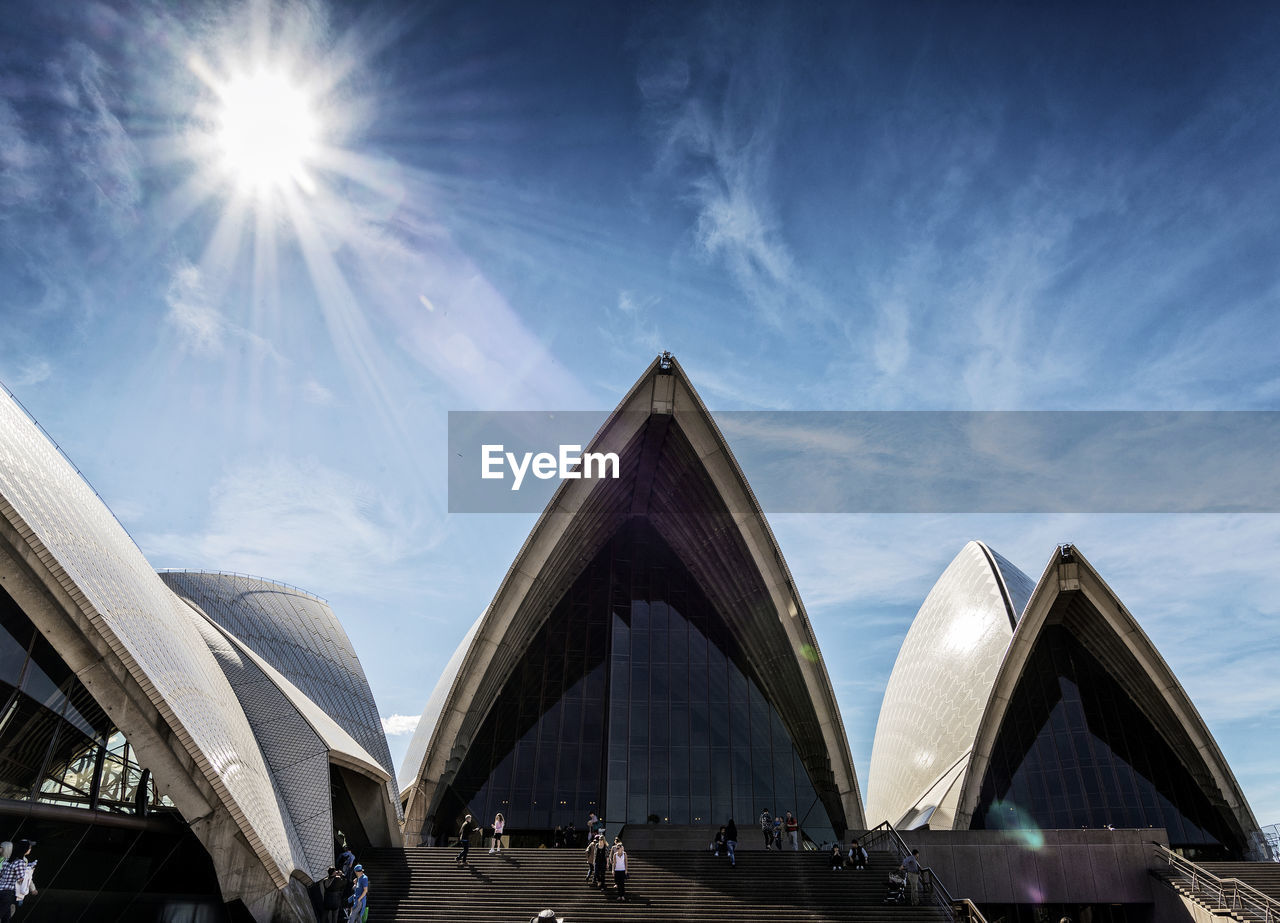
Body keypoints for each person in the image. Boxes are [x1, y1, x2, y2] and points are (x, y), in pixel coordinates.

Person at [0, 839, 34, 923]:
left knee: (6, 918)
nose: (30, 850)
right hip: (8, 893)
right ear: (25, 850)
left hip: (1, 890)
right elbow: (20, 880)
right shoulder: (20, 862)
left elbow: (1, 874)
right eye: (29, 848)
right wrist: (29, 873)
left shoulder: (6, 860)